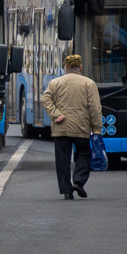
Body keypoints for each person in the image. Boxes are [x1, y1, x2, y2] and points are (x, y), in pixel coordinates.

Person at [41, 53, 103, 199]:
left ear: (66, 67)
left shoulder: (55, 83)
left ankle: (66, 190)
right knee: (83, 154)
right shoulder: (88, 83)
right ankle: (78, 182)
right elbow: (94, 107)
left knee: (62, 159)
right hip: (81, 127)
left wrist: (56, 115)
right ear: (80, 67)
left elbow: (46, 99)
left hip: (60, 127)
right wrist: (96, 128)